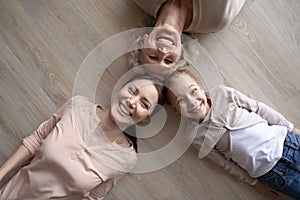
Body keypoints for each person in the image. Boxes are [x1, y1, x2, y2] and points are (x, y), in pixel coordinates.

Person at [0, 75, 164, 200]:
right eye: (131, 91)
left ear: (145, 119)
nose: (132, 102)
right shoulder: (77, 106)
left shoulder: (126, 159)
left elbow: (92, 197)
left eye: (144, 104)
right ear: (120, 89)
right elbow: (34, 141)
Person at [164, 69, 300, 199]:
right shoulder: (194, 135)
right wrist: (254, 183)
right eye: (180, 100)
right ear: (175, 110)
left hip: (287, 142)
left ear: (200, 87)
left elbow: (259, 108)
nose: (191, 101)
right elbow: (224, 163)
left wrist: (291, 127)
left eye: (193, 91)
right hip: (273, 173)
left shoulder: (222, 94)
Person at [131, 0, 246, 77]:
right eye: (169, 60)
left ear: (143, 42)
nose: (163, 52)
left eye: (153, 57)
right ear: (181, 53)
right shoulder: (217, 18)